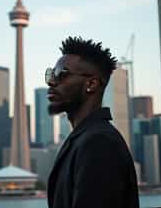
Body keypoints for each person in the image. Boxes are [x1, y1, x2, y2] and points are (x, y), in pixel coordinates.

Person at [45, 36, 139, 208]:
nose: (51, 82)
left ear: (91, 84)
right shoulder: (83, 139)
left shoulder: (99, 143)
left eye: (61, 74)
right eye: (51, 74)